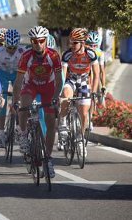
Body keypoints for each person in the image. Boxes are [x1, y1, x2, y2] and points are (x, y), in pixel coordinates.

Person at [13, 26, 63, 179]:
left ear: (46, 41)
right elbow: (18, 82)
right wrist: (16, 102)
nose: (38, 44)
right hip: (31, 85)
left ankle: (47, 159)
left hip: (49, 87)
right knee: (24, 106)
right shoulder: (26, 56)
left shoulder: (54, 55)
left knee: (51, 124)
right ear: (31, 42)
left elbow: (59, 80)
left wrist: (55, 97)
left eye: (41, 41)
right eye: (35, 41)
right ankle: (22, 133)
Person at [59, 28, 99, 157]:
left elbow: (96, 75)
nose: (72, 45)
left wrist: (92, 92)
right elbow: (63, 74)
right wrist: (60, 90)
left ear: (82, 43)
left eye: (75, 43)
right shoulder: (67, 54)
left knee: (84, 114)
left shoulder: (91, 54)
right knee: (65, 95)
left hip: (83, 81)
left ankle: (80, 139)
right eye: (71, 42)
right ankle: (63, 123)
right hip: (71, 79)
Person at [0, 29, 25, 148]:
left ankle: (19, 128)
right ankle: (1, 133)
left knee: (20, 101)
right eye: (9, 47)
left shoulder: (23, 52)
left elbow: (26, 72)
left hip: (17, 73)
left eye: (14, 48)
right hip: (3, 74)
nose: (11, 51)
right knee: (3, 102)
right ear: (5, 44)